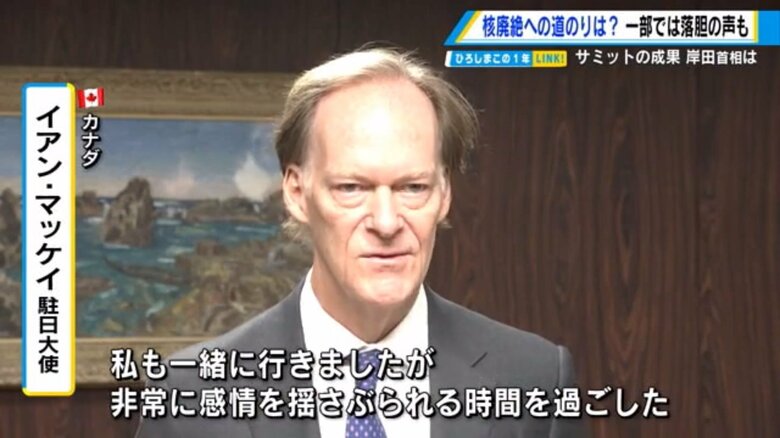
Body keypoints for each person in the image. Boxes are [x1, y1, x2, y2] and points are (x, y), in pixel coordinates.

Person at [135, 46, 585, 438]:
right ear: (296, 193)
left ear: (444, 193)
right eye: (352, 188)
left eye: (413, 187)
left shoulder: (534, 378)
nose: (386, 222)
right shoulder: (191, 397)